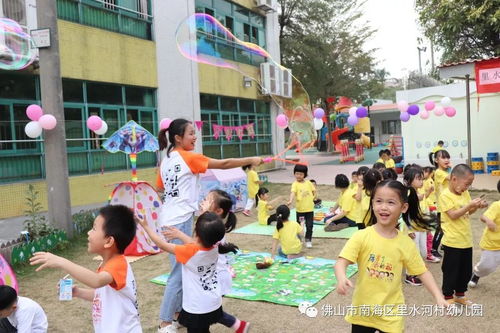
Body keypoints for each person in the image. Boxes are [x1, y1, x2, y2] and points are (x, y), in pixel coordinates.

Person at [156, 119, 262, 332]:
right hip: (180, 219)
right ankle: (165, 322)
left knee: (183, 269)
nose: (195, 137)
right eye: (191, 134)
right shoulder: (189, 157)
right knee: (178, 272)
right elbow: (223, 164)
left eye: (195, 133)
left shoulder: (166, 159)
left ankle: (177, 315)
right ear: (178, 138)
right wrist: (251, 159)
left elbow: (160, 188)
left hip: (169, 216)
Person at [335, 180, 448, 333]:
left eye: (391, 202)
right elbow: (341, 262)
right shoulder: (361, 236)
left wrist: (438, 296)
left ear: (404, 207)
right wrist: (341, 277)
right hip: (363, 311)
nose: (383, 207)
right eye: (379, 201)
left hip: (391, 313)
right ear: (372, 203)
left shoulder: (406, 243)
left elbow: (422, 272)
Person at [30, 205, 141, 333]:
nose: (88, 232)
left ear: (109, 241)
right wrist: (78, 292)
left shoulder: (118, 264)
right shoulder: (106, 265)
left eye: (94, 229)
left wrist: (61, 262)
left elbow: (96, 281)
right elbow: (103, 297)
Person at [163, 190, 250, 333]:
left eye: (207, 200)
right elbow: (195, 246)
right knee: (209, 313)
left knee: (208, 312)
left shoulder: (212, 229)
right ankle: (237, 325)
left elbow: (195, 248)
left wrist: (179, 234)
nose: (203, 202)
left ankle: (237, 324)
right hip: (215, 276)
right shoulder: (213, 226)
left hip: (217, 278)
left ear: (218, 210)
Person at [138, 212, 239, 333]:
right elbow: (195, 244)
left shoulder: (190, 252)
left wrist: (145, 226)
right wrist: (180, 234)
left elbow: (162, 245)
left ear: (197, 235)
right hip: (213, 303)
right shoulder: (215, 246)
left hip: (197, 308)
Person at [439, 164, 487, 305]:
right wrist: (468, 205)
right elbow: (453, 215)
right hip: (452, 241)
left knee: (465, 271)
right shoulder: (445, 196)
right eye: (467, 184)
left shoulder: (465, 193)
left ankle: (460, 295)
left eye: (470, 185)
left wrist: (475, 207)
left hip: (466, 240)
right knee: (450, 271)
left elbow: (466, 213)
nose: (467, 187)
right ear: (454, 179)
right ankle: (447, 298)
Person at [469, 180, 500, 288]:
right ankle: (476, 273)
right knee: (487, 266)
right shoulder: (497, 205)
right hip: (492, 244)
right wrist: (489, 221)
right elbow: (483, 217)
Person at [403, 166, 429, 286]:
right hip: (412, 228)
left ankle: (416, 271)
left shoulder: (418, 192)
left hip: (421, 227)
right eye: (418, 179)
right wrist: (408, 230)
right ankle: (410, 275)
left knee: (423, 252)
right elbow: (404, 213)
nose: (421, 181)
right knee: (414, 252)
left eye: (421, 179)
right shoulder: (407, 193)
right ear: (409, 180)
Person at [287, 164, 315, 248]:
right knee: (299, 226)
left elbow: (314, 191)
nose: (298, 176)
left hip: (309, 209)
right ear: (294, 173)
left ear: (305, 174)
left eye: (301, 174)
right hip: (300, 210)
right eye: (297, 173)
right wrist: (291, 200)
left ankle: (308, 240)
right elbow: (293, 193)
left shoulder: (309, 183)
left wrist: (313, 198)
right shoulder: (295, 184)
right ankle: (299, 240)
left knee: (309, 226)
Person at [431, 149, 451, 259]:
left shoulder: (444, 172)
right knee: (441, 229)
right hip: (441, 207)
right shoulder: (439, 172)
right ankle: (434, 249)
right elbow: (453, 178)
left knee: (446, 227)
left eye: (448, 157)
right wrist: (451, 167)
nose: (447, 160)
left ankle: (444, 246)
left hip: (447, 205)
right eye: (443, 158)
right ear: (436, 160)